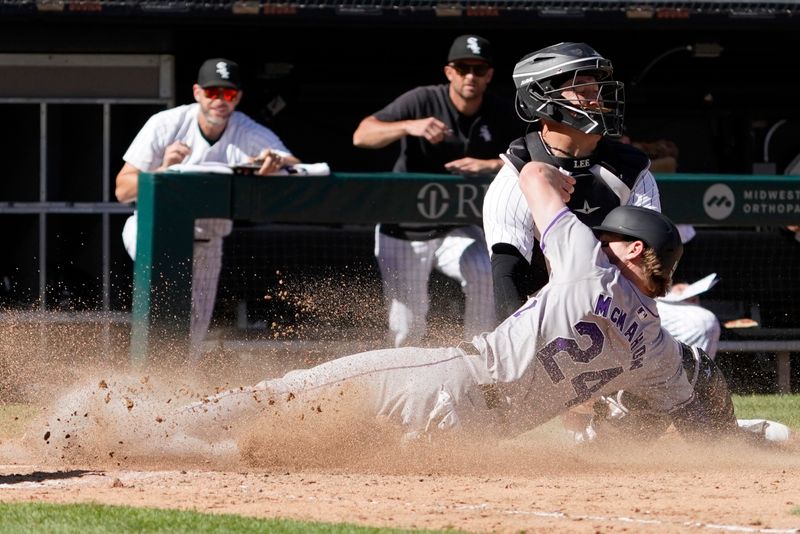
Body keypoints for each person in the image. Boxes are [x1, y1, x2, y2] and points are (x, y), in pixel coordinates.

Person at [177, 169, 743, 448]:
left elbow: (529, 176)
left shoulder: (587, 266)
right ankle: (212, 450)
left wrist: (565, 179)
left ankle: (167, 430)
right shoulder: (658, 348)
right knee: (327, 444)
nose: (602, 239)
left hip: (447, 379)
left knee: (288, 391)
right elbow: (694, 408)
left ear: (635, 249)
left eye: (612, 236)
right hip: (475, 436)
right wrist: (736, 442)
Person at [115, 58, 300, 351]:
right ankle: (144, 379)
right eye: (212, 92)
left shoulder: (244, 129)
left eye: (227, 94)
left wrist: (274, 161)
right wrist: (162, 171)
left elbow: (293, 163)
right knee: (163, 310)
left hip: (207, 240)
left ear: (237, 97)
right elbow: (122, 189)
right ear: (197, 92)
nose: (219, 100)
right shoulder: (167, 124)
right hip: (153, 229)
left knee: (194, 332)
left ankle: (177, 388)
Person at [352, 34, 519, 347]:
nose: (471, 75)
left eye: (479, 69)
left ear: (489, 75)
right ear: (449, 72)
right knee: (406, 327)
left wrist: (489, 164)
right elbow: (361, 135)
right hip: (404, 229)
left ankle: (479, 364)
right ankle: (406, 386)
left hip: (456, 225)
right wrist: (408, 126)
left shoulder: (498, 111)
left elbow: (532, 158)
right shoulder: (423, 99)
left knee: (484, 272)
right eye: (463, 67)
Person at [482, 42, 660, 322]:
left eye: (597, 91)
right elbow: (508, 274)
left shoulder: (632, 169)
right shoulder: (516, 175)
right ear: (541, 99)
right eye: (582, 90)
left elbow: (647, 267)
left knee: (699, 324)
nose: (596, 100)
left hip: (623, 315)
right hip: (544, 316)